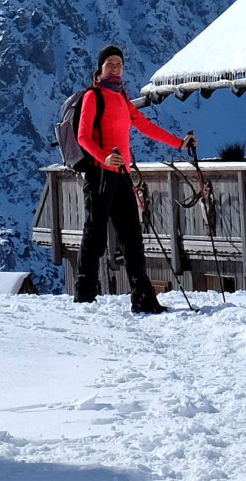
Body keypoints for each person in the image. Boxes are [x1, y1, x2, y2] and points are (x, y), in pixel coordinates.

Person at [73, 45, 194, 313]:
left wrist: (179, 144)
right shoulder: (94, 96)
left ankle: (143, 299)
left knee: (132, 238)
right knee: (95, 237)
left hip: (122, 175)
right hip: (100, 174)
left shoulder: (122, 98)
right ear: (100, 68)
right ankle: (84, 299)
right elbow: (83, 137)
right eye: (110, 63)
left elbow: (145, 126)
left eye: (119, 63)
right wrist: (104, 157)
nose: (115, 67)